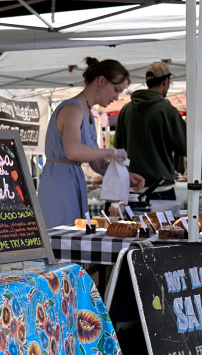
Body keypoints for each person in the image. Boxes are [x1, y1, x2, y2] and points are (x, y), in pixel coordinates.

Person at [38, 59, 133, 230]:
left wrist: (125, 177)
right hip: (58, 182)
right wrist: (111, 152)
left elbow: (96, 163)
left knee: (74, 235)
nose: (116, 97)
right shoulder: (73, 110)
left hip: (73, 180)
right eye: (116, 89)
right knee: (61, 238)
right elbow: (73, 151)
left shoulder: (88, 114)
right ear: (101, 81)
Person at [111, 59, 187, 204]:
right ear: (165, 81)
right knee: (164, 226)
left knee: (132, 226)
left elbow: (118, 150)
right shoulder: (167, 110)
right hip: (161, 188)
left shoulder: (126, 110)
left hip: (132, 187)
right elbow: (184, 146)